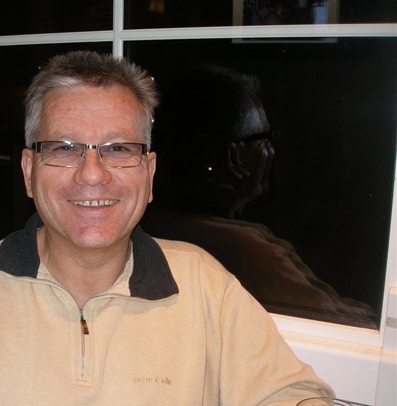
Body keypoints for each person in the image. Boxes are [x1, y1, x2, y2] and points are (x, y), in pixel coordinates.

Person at [0, 51, 333, 406]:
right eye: (64, 148)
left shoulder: (204, 285)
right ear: (29, 171)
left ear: (148, 174)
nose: (92, 174)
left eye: (118, 149)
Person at [142, 65, 375, 326]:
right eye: (265, 137)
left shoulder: (155, 226)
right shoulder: (253, 255)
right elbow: (347, 322)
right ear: (235, 158)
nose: (271, 150)